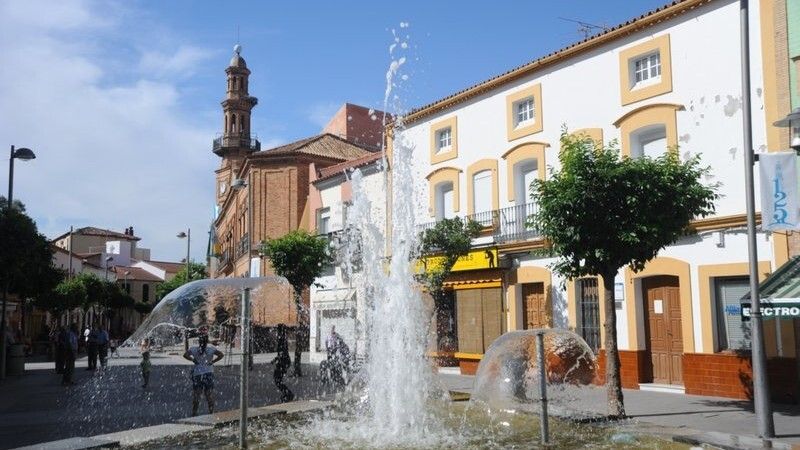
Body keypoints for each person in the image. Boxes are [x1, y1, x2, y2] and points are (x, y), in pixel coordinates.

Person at [183, 333, 224, 416]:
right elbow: (221, 355)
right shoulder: (211, 349)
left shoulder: (194, 349)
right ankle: (211, 412)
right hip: (208, 374)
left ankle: (194, 413)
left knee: (197, 395)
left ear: (199, 341)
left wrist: (193, 360)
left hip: (197, 374)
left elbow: (185, 355)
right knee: (209, 395)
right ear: (207, 341)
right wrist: (212, 362)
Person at [271, 324, 294, 402]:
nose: (276, 332)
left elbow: (283, 352)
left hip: (283, 362)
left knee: (277, 379)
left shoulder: (281, 338)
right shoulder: (282, 338)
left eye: (277, 330)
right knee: (278, 379)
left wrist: (277, 359)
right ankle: (287, 393)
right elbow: (282, 352)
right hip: (284, 361)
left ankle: (288, 394)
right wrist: (275, 359)